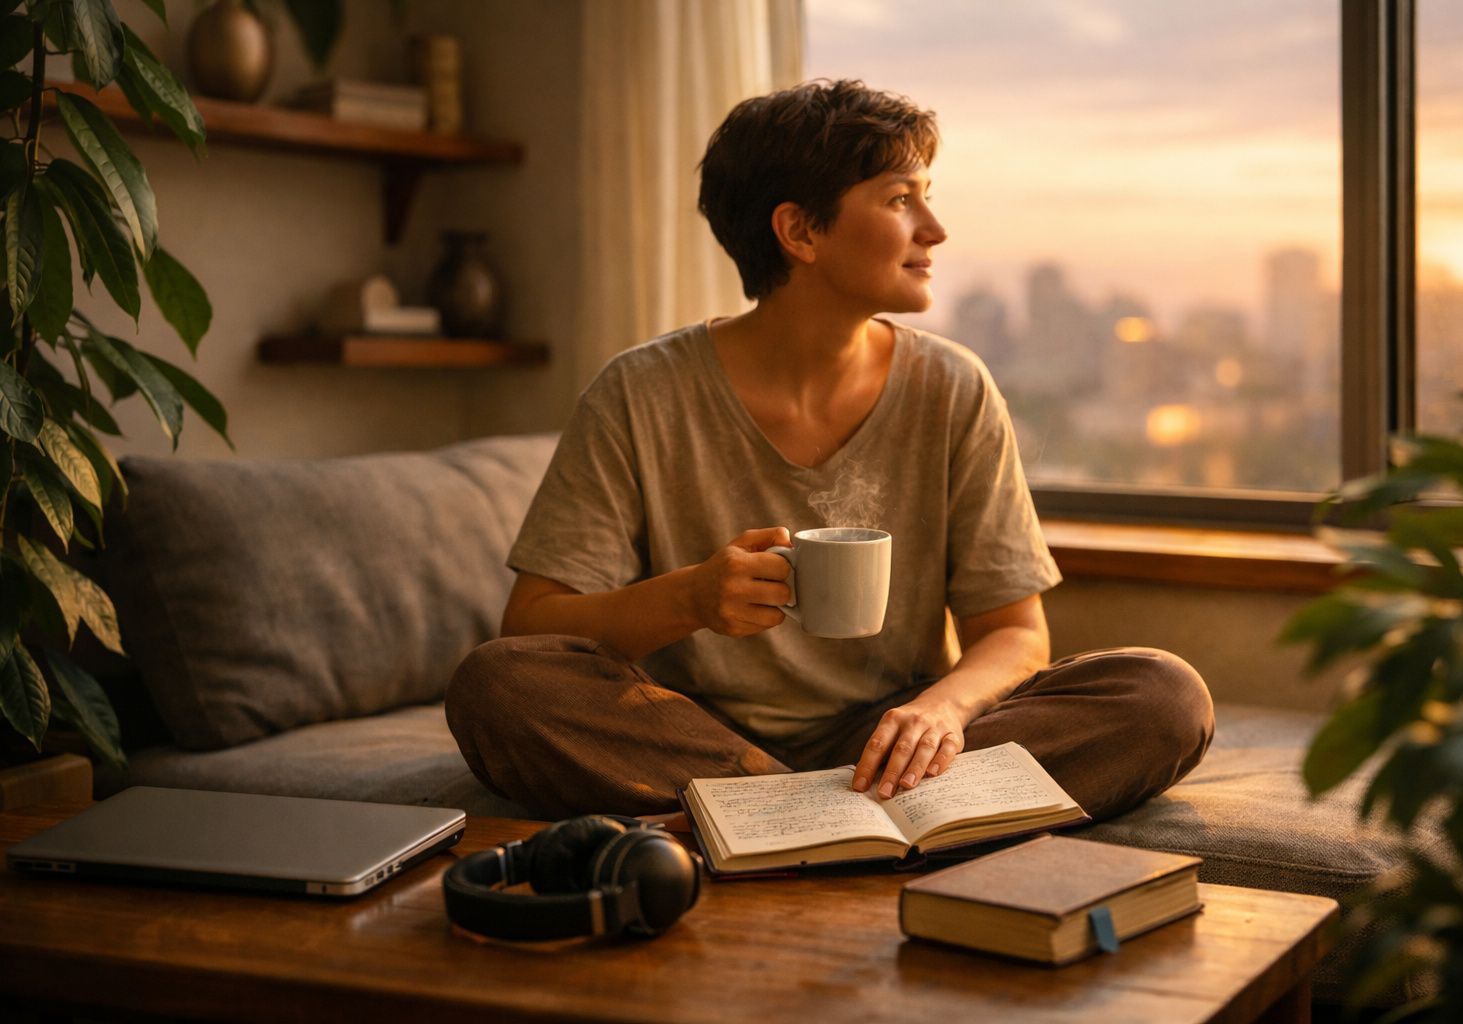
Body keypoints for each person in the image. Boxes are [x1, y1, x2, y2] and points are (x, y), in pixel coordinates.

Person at [446, 79, 1213, 822]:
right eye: (901, 199)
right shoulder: (639, 392)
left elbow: (1014, 633)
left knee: (1162, 697)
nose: (934, 229)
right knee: (498, 686)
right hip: (691, 733)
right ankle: (836, 816)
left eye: (927, 197)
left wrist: (940, 712)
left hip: (889, 742)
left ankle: (767, 820)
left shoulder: (953, 386)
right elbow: (532, 627)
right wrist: (691, 599)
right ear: (800, 232)